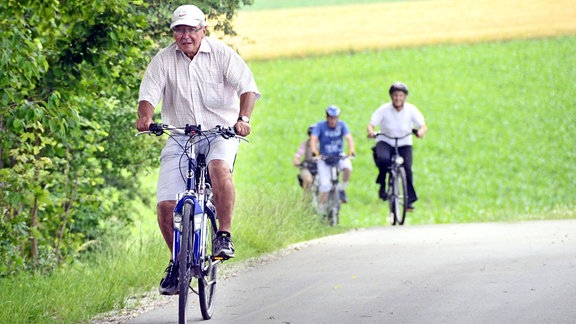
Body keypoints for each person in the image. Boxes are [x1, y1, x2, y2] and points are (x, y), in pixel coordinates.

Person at [135, 4, 260, 295]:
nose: (185, 35)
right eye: (179, 30)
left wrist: (243, 119)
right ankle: (176, 262)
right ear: (174, 33)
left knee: (219, 168)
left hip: (221, 131)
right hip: (180, 136)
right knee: (166, 204)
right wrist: (145, 117)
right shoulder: (163, 59)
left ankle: (224, 235)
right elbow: (148, 95)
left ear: (203, 30)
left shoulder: (221, 54)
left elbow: (248, 88)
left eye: (191, 29)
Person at [367, 81, 427, 211]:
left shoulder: (411, 109)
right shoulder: (384, 109)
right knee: (383, 159)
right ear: (391, 96)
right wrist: (371, 131)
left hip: (404, 142)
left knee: (407, 169)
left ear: (405, 97)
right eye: (395, 95)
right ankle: (382, 184)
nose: (398, 98)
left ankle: (409, 200)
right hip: (386, 140)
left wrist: (421, 132)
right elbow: (371, 124)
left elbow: (422, 125)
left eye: (400, 95)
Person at [309, 105, 355, 209]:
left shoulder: (342, 125)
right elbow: (314, 138)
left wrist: (351, 150)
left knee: (348, 167)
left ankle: (342, 189)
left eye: (334, 118)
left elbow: (348, 138)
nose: (332, 121)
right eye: (330, 118)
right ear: (327, 117)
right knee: (325, 186)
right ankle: (321, 211)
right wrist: (314, 151)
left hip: (338, 155)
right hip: (324, 157)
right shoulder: (321, 126)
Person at [293, 124, 318, 191]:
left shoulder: (323, 144)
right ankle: (306, 198)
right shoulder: (305, 144)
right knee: (308, 180)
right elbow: (298, 155)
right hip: (307, 168)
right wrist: (296, 161)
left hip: (320, 168)